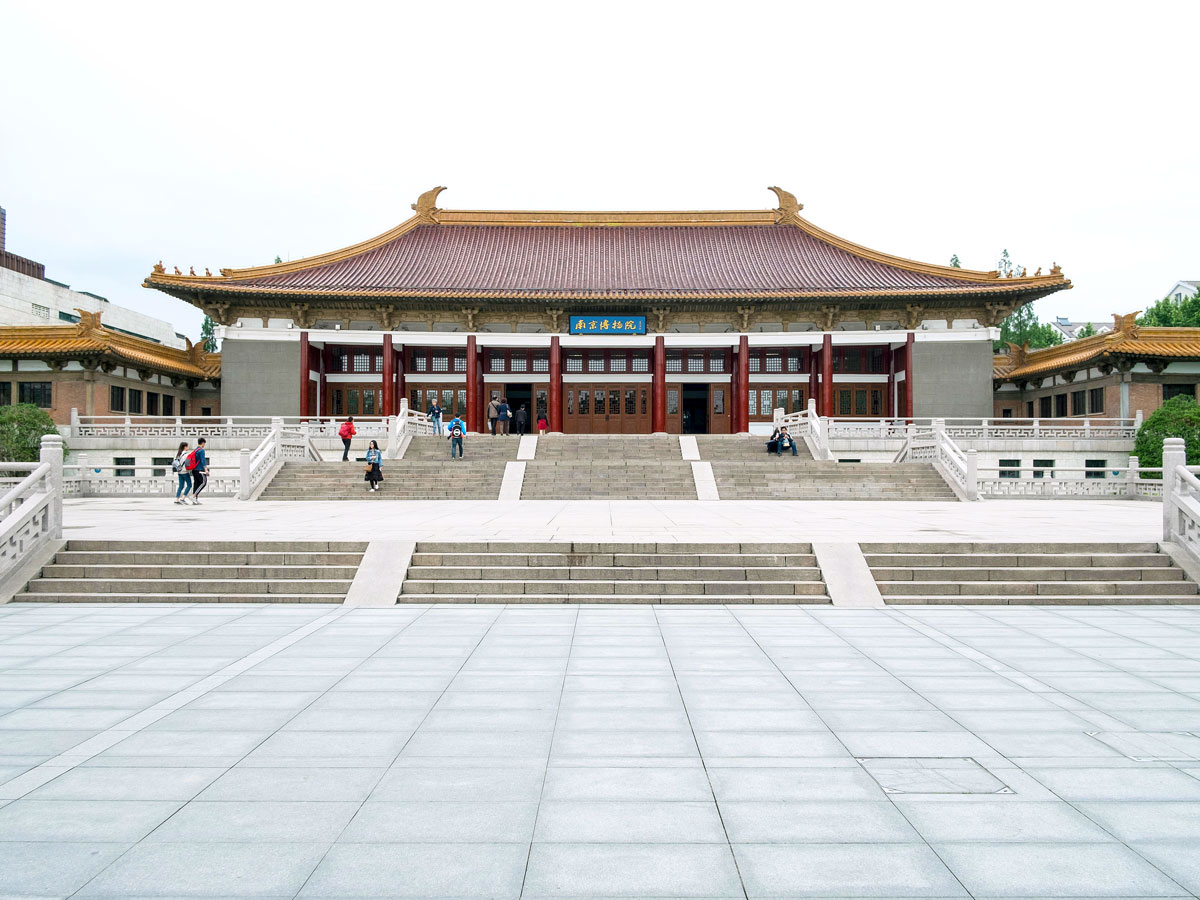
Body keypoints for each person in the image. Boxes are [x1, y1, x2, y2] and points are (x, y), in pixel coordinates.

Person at [189, 437, 209, 504]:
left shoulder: (195, 450)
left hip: (194, 469)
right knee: (204, 482)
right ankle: (193, 496)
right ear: (203, 443)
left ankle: (195, 500)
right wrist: (206, 470)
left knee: (196, 484)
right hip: (200, 470)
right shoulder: (201, 450)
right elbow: (203, 460)